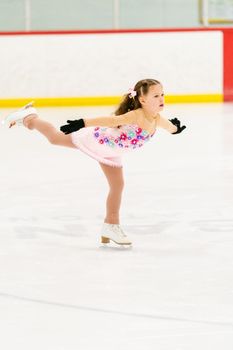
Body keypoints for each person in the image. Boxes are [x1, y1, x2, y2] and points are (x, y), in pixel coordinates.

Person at [3, 78, 186, 246]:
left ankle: (111, 225)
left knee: (117, 185)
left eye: (162, 94)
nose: (161, 98)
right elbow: (111, 120)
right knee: (55, 138)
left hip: (112, 152)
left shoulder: (157, 119)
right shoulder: (137, 115)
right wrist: (82, 122)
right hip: (99, 142)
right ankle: (29, 117)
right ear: (142, 100)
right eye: (156, 95)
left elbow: (170, 128)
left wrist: (176, 129)